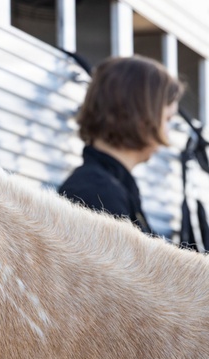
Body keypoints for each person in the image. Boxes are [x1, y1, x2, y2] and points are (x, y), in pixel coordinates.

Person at [58, 55, 183, 235]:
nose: (168, 133)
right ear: (142, 116)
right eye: (168, 119)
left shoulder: (109, 187)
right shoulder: (97, 194)